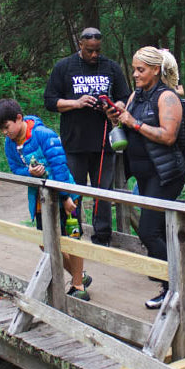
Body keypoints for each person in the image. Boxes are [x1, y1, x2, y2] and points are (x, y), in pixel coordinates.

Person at [0, 98, 91, 300]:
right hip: (40, 198)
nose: (5, 132)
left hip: (64, 193)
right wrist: (30, 173)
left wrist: (65, 197)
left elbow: (60, 166)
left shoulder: (43, 134)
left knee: (72, 239)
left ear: (18, 118)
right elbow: (15, 170)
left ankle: (79, 286)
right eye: (1, 129)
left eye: (6, 127)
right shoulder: (10, 144)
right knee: (44, 241)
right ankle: (78, 276)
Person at [44, 28, 131, 246]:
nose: (94, 55)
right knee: (74, 190)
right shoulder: (64, 67)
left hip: (104, 142)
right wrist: (77, 103)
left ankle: (102, 237)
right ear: (80, 45)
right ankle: (73, 233)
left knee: (103, 191)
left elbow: (125, 97)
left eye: (97, 51)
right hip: (75, 142)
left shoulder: (111, 67)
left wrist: (114, 108)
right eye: (90, 50)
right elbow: (50, 101)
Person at [116, 47, 185, 309]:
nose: (134, 74)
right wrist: (119, 114)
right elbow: (131, 120)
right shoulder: (138, 94)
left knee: (149, 230)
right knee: (156, 231)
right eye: (134, 69)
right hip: (144, 174)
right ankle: (172, 283)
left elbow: (168, 136)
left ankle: (174, 287)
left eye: (140, 70)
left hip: (165, 173)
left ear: (156, 70)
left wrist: (134, 123)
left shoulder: (167, 97)